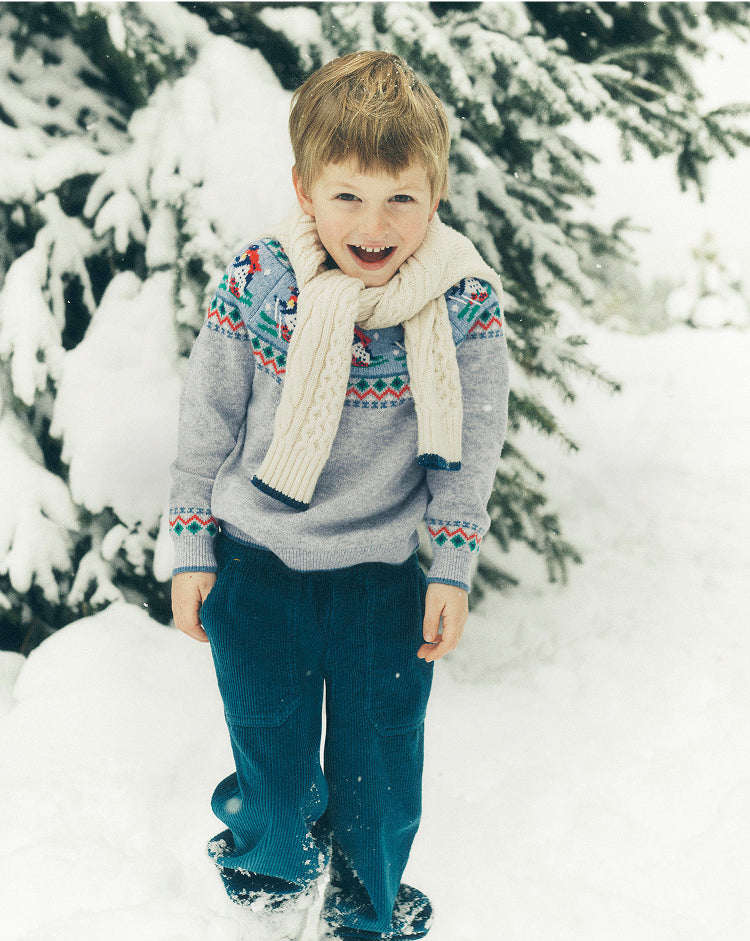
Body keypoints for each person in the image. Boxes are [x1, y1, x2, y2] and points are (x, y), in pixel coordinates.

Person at [169, 50, 509, 941]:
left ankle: (366, 916)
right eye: (349, 194)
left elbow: (467, 448)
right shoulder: (261, 282)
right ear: (304, 188)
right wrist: (192, 545)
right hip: (257, 571)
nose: (374, 222)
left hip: (382, 583)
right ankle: (271, 893)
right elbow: (207, 421)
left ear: (435, 194)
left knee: (380, 777)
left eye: (401, 196)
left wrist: (453, 565)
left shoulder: (462, 299)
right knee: (275, 774)